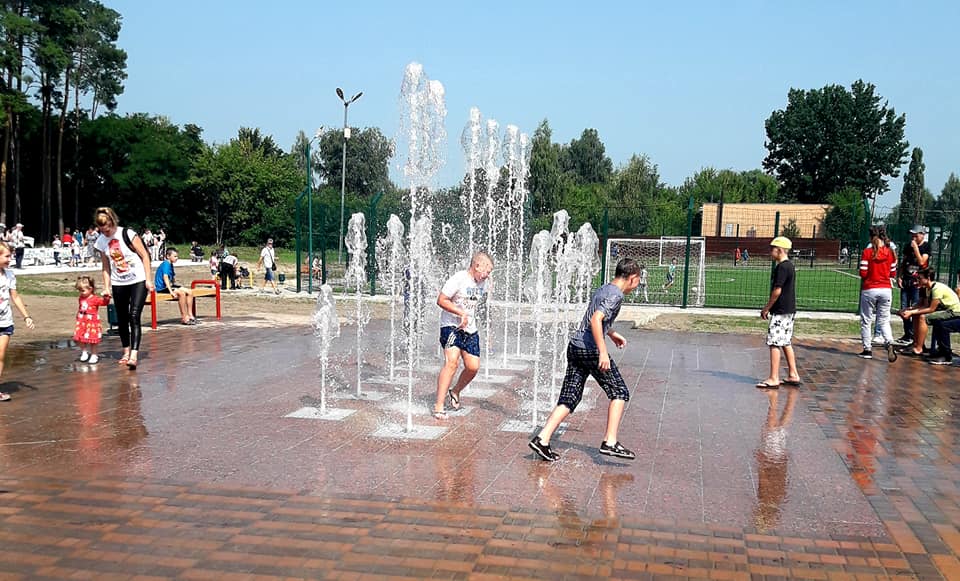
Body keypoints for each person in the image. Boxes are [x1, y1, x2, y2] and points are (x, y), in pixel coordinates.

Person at [529, 258, 642, 462]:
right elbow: (596, 319)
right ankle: (610, 441)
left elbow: (595, 318)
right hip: (590, 350)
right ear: (632, 278)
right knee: (619, 392)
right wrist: (603, 352)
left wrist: (611, 333)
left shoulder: (604, 289)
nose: (636, 286)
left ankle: (542, 439)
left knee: (570, 397)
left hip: (575, 346)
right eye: (638, 281)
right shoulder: (616, 295)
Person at [432, 251, 494, 419]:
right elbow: (441, 300)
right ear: (477, 266)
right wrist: (460, 313)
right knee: (452, 363)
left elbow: (480, 308)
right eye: (487, 271)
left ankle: (455, 391)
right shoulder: (459, 278)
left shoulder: (483, 283)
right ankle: (439, 406)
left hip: (470, 329)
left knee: (473, 367)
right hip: (451, 326)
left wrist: (488, 330)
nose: (488, 275)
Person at [94, 207, 153, 371]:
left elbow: (145, 256)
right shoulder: (101, 241)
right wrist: (106, 287)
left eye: (107, 230)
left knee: (134, 315)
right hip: (118, 282)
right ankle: (126, 351)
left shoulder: (127, 234)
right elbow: (106, 267)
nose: (105, 233)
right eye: (102, 231)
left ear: (112, 223)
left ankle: (134, 354)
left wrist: (148, 280)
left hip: (138, 279)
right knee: (122, 318)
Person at [756, 237, 800, 388]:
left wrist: (767, 308)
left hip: (780, 310)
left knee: (774, 342)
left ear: (780, 250)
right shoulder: (790, 266)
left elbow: (777, 290)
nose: (770, 252)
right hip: (789, 309)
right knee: (786, 341)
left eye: (772, 249)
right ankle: (793, 374)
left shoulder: (781, 267)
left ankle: (773, 377)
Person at [898, 267, 960, 364]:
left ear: (928, 278)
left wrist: (912, 312)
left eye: (920, 278)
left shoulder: (936, 288)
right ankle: (917, 344)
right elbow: (924, 306)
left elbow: (931, 309)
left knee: (923, 317)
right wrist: (909, 310)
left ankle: (919, 348)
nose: (918, 280)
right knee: (917, 315)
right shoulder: (928, 289)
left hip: (954, 311)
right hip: (945, 311)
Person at [0, 241, 35, 401]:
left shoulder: (9, 275)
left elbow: (15, 297)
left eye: (11, 256)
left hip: (5, 321)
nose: (10, 259)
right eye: (7, 256)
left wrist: (26, 316)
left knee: (0, 356)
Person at [857, 226, 898, 362]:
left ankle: (867, 349)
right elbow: (893, 273)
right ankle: (889, 341)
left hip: (870, 288)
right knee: (884, 320)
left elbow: (863, 272)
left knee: (866, 320)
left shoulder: (867, 252)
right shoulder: (890, 252)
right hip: (886, 289)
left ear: (870, 237)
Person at [895, 225, 930, 346]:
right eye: (912, 235)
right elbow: (904, 262)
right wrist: (899, 276)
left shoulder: (926, 247)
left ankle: (916, 337)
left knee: (915, 309)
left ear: (922, 235)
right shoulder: (907, 246)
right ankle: (908, 334)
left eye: (916, 235)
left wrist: (916, 248)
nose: (913, 237)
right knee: (904, 308)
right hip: (907, 280)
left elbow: (922, 262)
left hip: (918, 283)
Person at [73, 275, 110, 364]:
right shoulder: (81, 298)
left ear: (90, 289)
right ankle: (84, 351)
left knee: (92, 340)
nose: (81, 292)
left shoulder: (95, 299)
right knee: (79, 337)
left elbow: (104, 303)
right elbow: (80, 307)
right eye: (79, 290)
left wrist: (106, 297)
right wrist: (78, 315)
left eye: (83, 290)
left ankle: (94, 354)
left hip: (92, 322)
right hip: (82, 320)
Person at [155, 247, 197, 325]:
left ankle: (190, 315)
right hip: (162, 288)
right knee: (182, 293)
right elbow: (165, 277)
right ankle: (184, 317)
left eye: (177, 256)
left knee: (190, 292)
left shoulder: (170, 265)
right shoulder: (166, 264)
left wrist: (176, 285)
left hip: (171, 286)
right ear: (168, 256)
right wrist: (171, 291)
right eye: (175, 256)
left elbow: (172, 277)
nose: (176, 258)